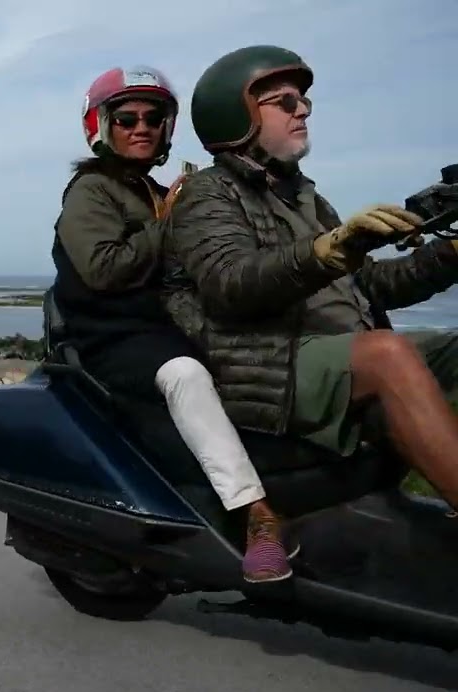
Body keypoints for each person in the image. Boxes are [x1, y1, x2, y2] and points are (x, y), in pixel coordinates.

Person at [163, 44, 458, 510]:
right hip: (272, 364)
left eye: (303, 102)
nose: (302, 109)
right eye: (284, 102)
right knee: (387, 353)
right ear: (235, 114)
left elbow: (373, 286)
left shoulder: (306, 198)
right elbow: (230, 285)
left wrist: (452, 252)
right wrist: (328, 250)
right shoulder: (208, 193)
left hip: (340, 353)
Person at [50, 66, 295, 583]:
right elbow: (104, 268)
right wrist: (170, 222)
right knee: (185, 373)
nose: (141, 127)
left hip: (162, 325)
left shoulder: (153, 190)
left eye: (153, 116)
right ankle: (257, 517)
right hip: (112, 336)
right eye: (126, 118)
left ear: (167, 126)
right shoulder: (91, 192)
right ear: (102, 126)